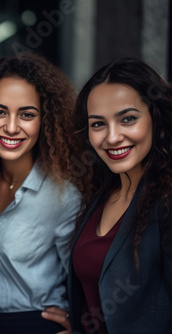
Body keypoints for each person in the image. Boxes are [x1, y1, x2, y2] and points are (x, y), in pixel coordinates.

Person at [0, 53, 88, 333]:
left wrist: (82, 325)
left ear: (45, 121)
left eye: (27, 115)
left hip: (34, 324)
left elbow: (82, 277)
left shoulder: (63, 195)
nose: (11, 127)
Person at [68, 57, 172, 333]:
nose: (112, 137)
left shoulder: (166, 202)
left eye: (128, 119)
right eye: (98, 124)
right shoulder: (100, 191)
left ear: (155, 117)